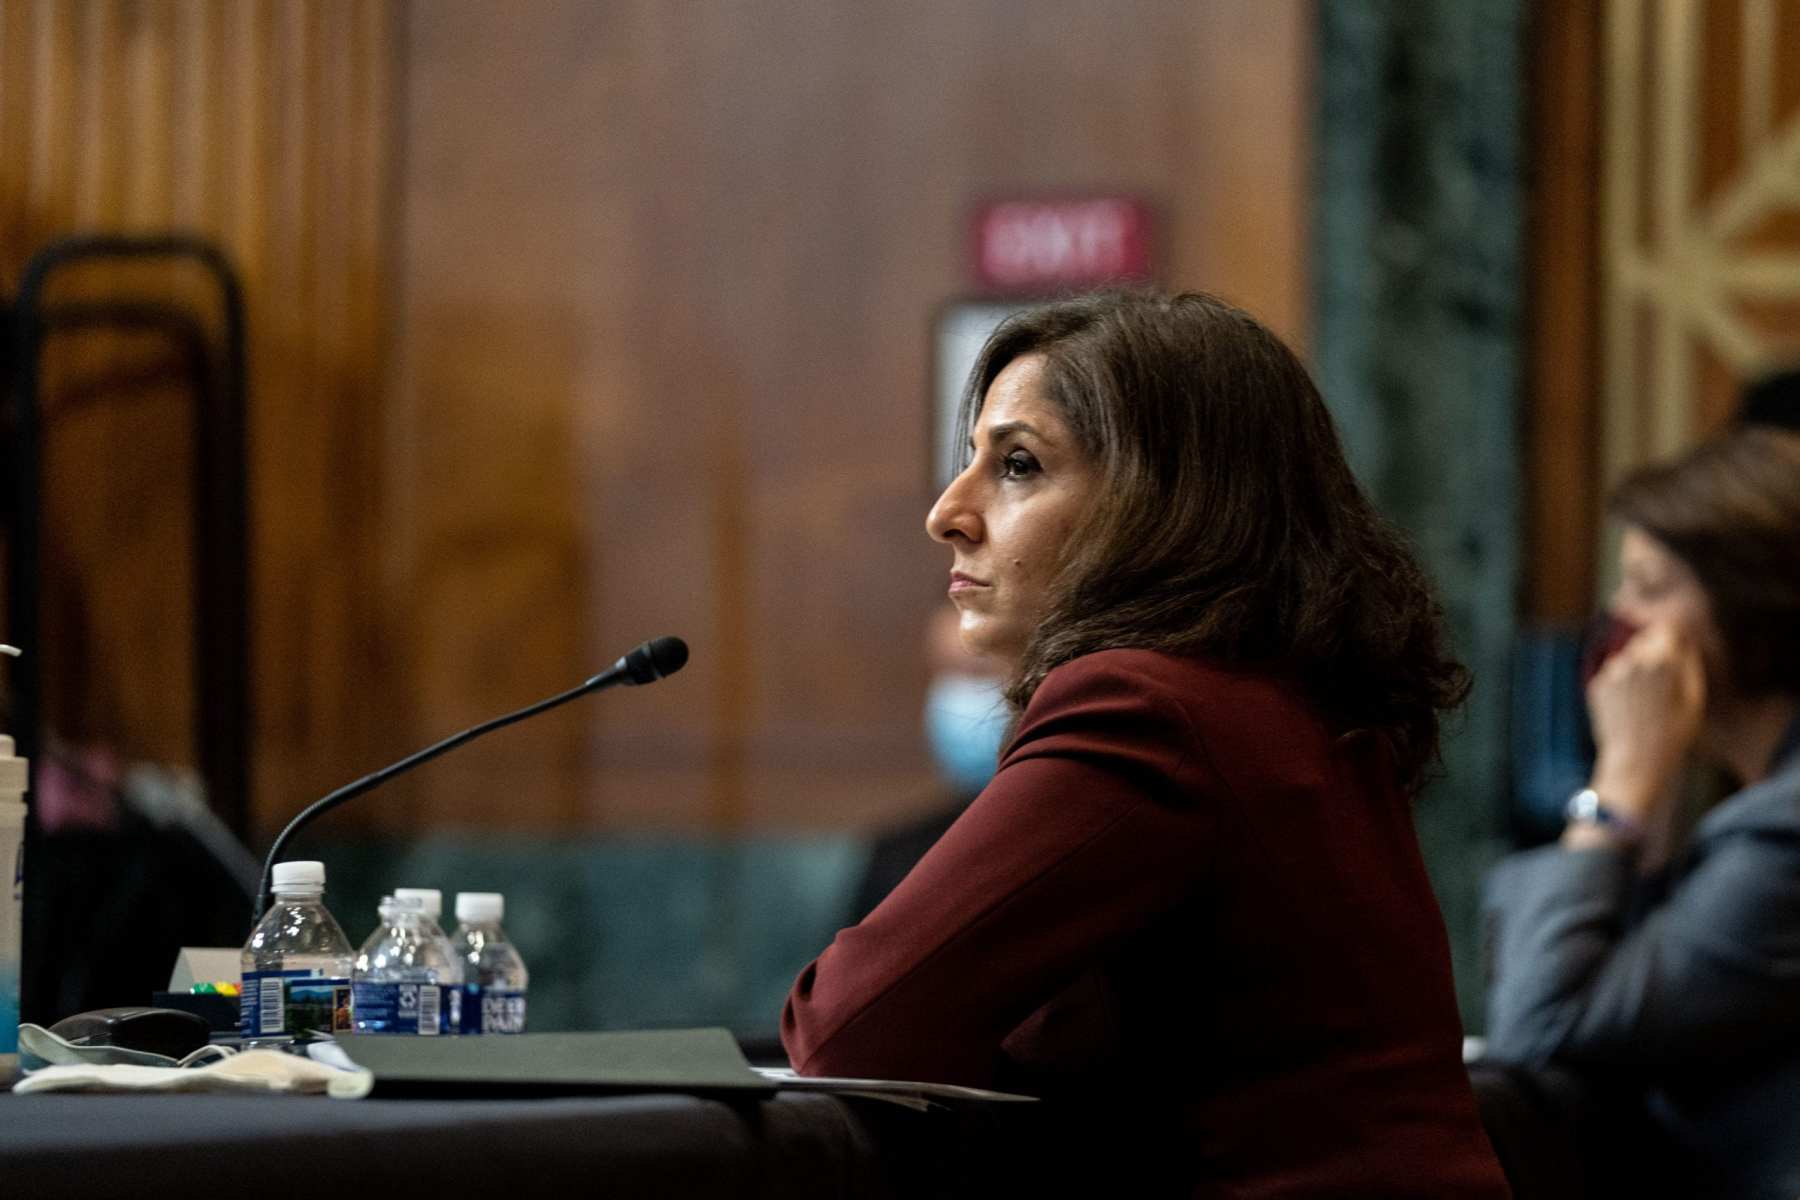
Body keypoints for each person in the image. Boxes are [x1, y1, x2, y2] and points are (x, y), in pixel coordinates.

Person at [782, 291, 1508, 1196]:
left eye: (1016, 465)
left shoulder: (1143, 705)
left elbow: (849, 1024)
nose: (948, 513)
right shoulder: (1277, 698)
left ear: (1165, 505)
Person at [1483, 427, 1800, 1198]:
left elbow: (1538, 1022)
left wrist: (1621, 779)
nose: (1619, 619)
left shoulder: (1787, 831)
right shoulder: (1744, 795)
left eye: (1651, 589)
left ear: (1750, 607)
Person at [847, 606, 1009, 923]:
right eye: (945, 673)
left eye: (978, 672)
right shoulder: (898, 857)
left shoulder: (1079, 848)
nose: (956, 695)